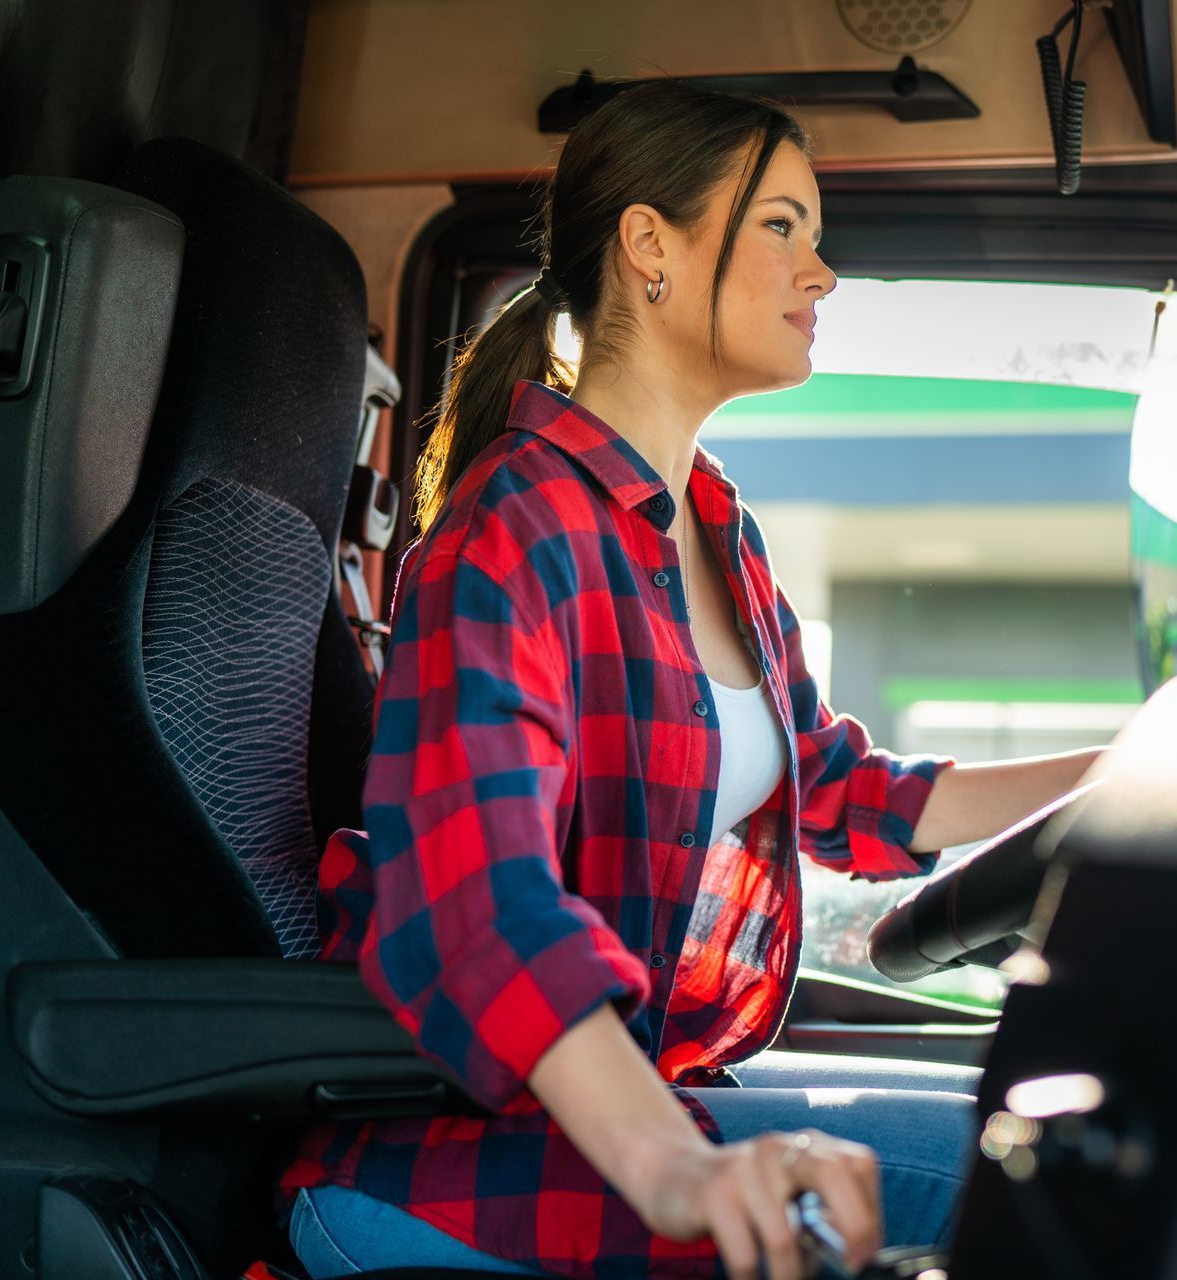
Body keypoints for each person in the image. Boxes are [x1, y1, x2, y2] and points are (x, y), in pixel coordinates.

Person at [278, 80, 1106, 1280]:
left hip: (633, 1089)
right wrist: (679, 1167)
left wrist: (1151, 766)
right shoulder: (512, 535)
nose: (822, 276)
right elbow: (476, 898)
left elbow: (843, 791)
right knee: (1067, 1179)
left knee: (1054, 1122)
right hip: (460, 1155)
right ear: (650, 247)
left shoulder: (715, 526)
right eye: (783, 227)